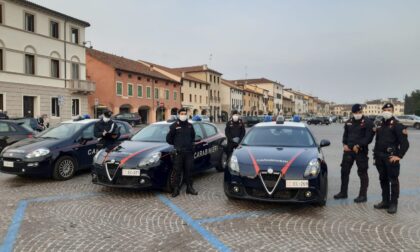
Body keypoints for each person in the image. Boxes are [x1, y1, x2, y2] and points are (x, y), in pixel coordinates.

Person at [373, 103, 409, 214]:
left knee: (393, 181)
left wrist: (399, 156)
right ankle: (385, 201)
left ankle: (393, 203)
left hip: (391, 158)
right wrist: (375, 155)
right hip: (380, 157)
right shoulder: (379, 124)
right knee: (383, 179)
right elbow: (377, 141)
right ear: (382, 111)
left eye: (390, 109)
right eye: (385, 109)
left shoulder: (397, 125)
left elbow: (405, 144)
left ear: (393, 111)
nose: (387, 111)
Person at [334, 104, 375, 203]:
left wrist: (359, 145)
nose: (358, 114)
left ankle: (362, 195)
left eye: (360, 112)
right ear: (353, 113)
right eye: (356, 112)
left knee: (362, 173)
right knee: (344, 171)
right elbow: (345, 135)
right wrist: (344, 144)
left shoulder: (368, 122)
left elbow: (368, 138)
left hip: (360, 152)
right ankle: (343, 192)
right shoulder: (349, 122)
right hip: (348, 151)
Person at [166, 108, 197, 197]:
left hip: (188, 153)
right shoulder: (174, 126)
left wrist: (191, 146)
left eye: (184, 113)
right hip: (178, 153)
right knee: (177, 171)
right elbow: (168, 139)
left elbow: (193, 137)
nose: (183, 115)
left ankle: (189, 188)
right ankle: (176, 189)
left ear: (186, 115)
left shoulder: (190, 126)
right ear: (179, 115)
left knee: (189, 171)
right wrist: (177, 145)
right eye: (182, 113)